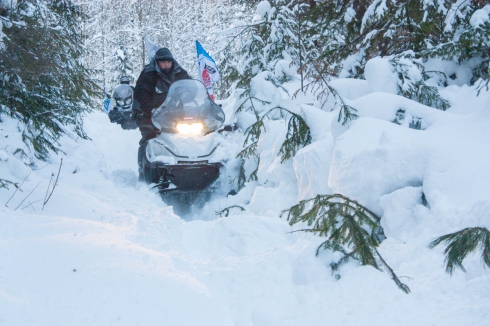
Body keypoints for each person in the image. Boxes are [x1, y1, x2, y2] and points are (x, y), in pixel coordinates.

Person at [133, 47, 190, 180]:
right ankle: (144, 168)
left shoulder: (179, 72)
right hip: (154, 114)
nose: (166, 64)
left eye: (168, 62)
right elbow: (141, 93)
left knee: (191, 135)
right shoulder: (149, 74)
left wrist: (194, 99)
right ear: (157, 62)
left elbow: (189, 87)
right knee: (149, 137)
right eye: (163, 62)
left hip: (176, 113)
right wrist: (151, 109)